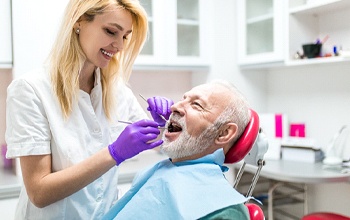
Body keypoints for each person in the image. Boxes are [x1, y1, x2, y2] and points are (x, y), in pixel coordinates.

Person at [5, 0, 173, 219]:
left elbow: (154, 143)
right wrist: (113, 154)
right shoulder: (31, 90)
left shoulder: (116, 89)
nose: (119, 46)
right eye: (111, 31)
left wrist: (163, 125)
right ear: (79, 22)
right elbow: (39, 192)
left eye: (125, 36)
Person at [104, 80, 252, 220]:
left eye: (196, 105)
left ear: (224, 133)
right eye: (183, 99)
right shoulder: (159, 171)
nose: (174, 107)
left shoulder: (225, 211)